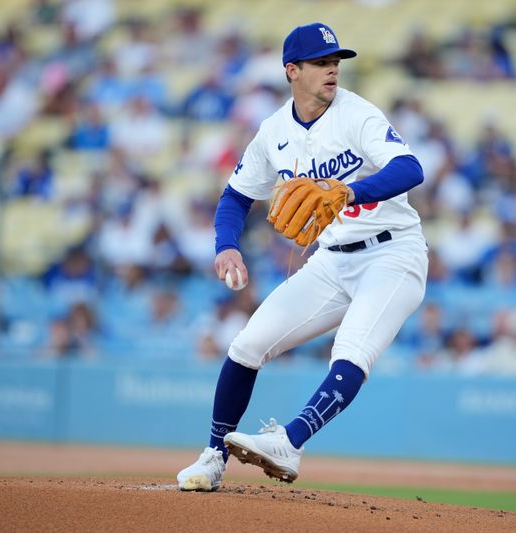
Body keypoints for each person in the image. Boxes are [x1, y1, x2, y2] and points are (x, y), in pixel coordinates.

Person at [177, 23, 428, 491]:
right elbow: (234, 197)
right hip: (332, 260)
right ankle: (213, 456)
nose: (332, 68)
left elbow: (410, 168)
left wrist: (350, 190)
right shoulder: (273, 132)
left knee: (352, 351)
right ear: (292, 71)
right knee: (247, 345)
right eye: (319, 62)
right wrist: (226, 245)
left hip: (393, 253)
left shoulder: (358, 114)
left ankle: (290, 442)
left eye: (335, 60)